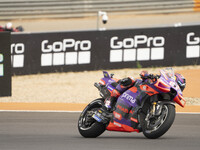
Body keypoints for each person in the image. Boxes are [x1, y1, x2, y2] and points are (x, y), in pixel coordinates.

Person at [104, 70, 186, 113]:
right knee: (131, 79)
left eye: (179, 87)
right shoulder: (159, 80)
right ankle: (111, 100)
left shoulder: (168, 98)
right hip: (140, 87)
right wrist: (148, 76)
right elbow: (144, 74)